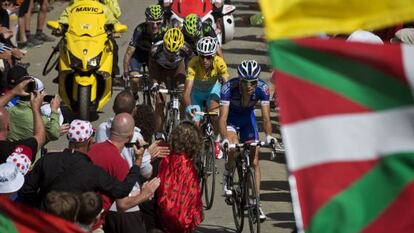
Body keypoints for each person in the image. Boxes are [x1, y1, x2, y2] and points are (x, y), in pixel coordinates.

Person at [17, 119, 144, 209]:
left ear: (68, 139)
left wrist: (39, 206)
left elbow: (26, 189)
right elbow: (122, 190)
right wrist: (137, 162)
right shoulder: (93, 172)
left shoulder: (47, 160)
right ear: (89, 142)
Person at [219, 60, 280, 221]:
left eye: (253, 82)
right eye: (245, 82)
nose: (249, 86)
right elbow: (222, 118)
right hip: (231, 120)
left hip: (247, 120)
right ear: (240, 80)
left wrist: (268, 136)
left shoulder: (263, 88)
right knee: (232, 147)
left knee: (254, 161)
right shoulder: (228, 88)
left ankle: (256, 203)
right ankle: (227, 173)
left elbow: (266, 118)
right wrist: (225, 138)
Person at [89, 113, 161, 233]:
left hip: (92, 214)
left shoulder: (94, 149)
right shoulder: (119, 162)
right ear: (131, 135)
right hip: (97, 221)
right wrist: (145, 193)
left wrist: (139, 159)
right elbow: (122, 205)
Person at [183, 36, 228, 159]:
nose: (204, 60)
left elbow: (226, 85)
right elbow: (187, 91)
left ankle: (217, 139)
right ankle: (195, 148)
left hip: (212, 91)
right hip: (196, 93)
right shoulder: (193, 63)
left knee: (214, 114)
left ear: (213, 56)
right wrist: (189, 107)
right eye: (202, 56)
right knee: (195, 122)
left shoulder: (219, 62)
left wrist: (226, 103)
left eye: (208, 57)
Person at [156, 121, 203, 233]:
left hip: (163, 218)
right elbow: (193, 196)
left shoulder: (164, 161)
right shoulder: (190, 168)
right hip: (184, 223)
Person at [149, 27, 191, 132]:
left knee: (184, 97)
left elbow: (191, 68)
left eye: (174, 52)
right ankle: (159, 133)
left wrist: (190, 83)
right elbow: (153, 72)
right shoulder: (155, 50)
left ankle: (181, 123)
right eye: (168, 51)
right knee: (159, 101)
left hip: (178, 70)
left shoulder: (186, 49)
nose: (170, 55)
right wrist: (155, 84)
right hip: (160, 71)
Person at [123, 4, 166, 100]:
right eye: (152, 23)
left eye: (158, 23)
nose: (155, 26)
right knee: (134, 79)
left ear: (162, 21)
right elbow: (129, 52)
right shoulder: (140, 29)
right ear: (146, 21)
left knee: (157, 82)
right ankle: (134, 95)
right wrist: (125, 71)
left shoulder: (165, 31)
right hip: (138, 56)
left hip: (154, 57)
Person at [0, 79, 45, 164]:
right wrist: (36, 109)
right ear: (9, 127)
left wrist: (13, 92)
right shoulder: (13, 151)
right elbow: (40, 137)